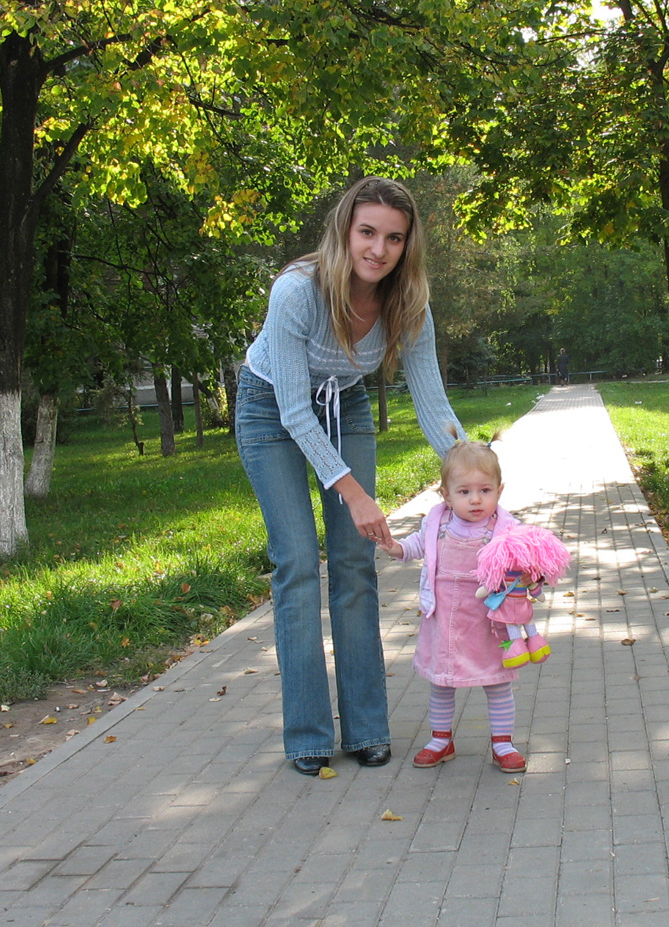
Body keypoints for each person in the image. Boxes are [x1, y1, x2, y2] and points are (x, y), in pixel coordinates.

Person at [235, 176, 464, 776]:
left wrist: (476, 476)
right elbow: (294, 412)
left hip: (345, 402)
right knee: (296, 564)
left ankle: (366, 728)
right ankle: (307, 735)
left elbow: (433, 403)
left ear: (407, 245)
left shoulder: (409, 303)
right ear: (345, 231)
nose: (378, 250)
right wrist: (355, 494)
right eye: (367, 232)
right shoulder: (297, 292)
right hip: (270, 409)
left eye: (394, 238)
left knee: (355, 564)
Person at [379, 439, 565, 773]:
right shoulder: (437, 524)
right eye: (464, 492)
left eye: (485, 490)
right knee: (442, 682)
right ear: (446, 495)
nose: (476, 499)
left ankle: (503, 743)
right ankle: (441, 740)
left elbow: (528, 566)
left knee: (497, 681)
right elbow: (417, 546)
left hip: (489, 623)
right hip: (444, 620)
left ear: (499, 490)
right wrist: (396, 548)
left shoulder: (506, 531)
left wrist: (531, 577)